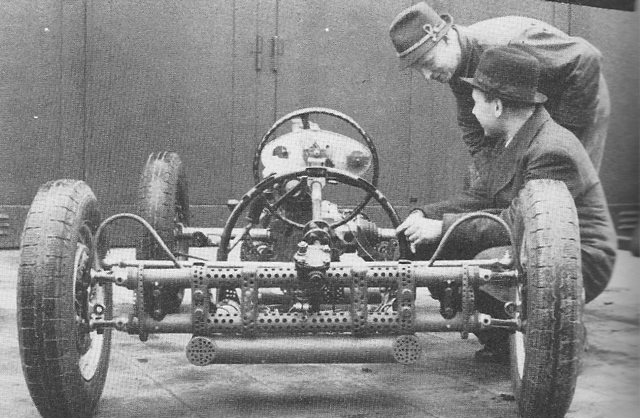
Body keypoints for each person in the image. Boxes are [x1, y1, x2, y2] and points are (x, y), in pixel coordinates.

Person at [395, 45, 617, 363]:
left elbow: (518, 224)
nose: (473, 112)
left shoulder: (551, 151)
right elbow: (480, 197)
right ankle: (502, 339)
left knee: (487, 265)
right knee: (435, 246)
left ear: (497, 106)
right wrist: (425, 215)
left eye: (476, 103)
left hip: (577, 259)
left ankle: (557, 335)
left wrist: (442, 228)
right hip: (539, 247)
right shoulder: (518, 137)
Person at [389, 2, 610, 175]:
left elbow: (585, 59)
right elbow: (472, 127)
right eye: (419, 70)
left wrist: (563, 136)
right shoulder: (455, 64)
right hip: (535, 108)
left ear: (447, 39)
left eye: (428, 63)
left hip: (580, 94)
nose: (427, 76)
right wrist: (489, 177)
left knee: (565, 185)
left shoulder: (507, 43)